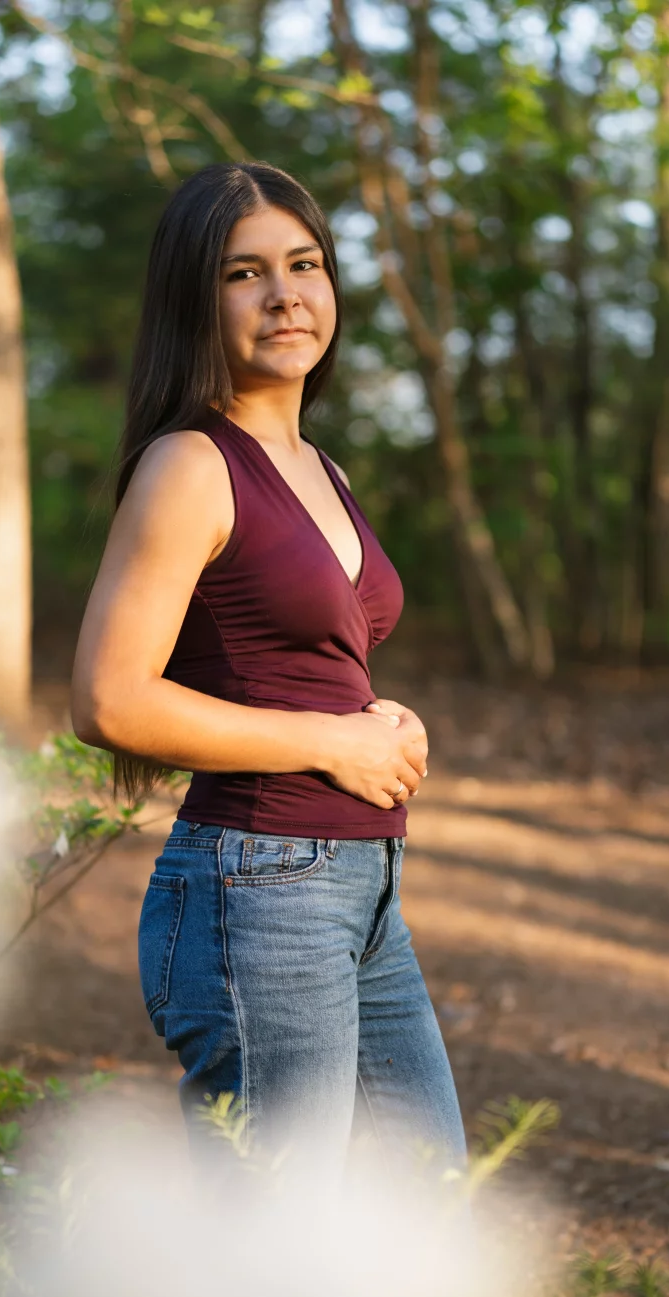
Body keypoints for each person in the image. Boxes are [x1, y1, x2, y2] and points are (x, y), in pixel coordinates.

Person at [71, 161, 465, 1175]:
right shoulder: (189, 464)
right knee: (273, 1244)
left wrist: (380, 716)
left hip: (360, 887)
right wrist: (333, 740)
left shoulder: (317, 464)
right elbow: (109, 696)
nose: (286, 291)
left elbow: (298, 658)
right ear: (194, 302)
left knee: (419, 1207)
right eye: (245, 273)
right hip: (258, 887)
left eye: (305, 262)